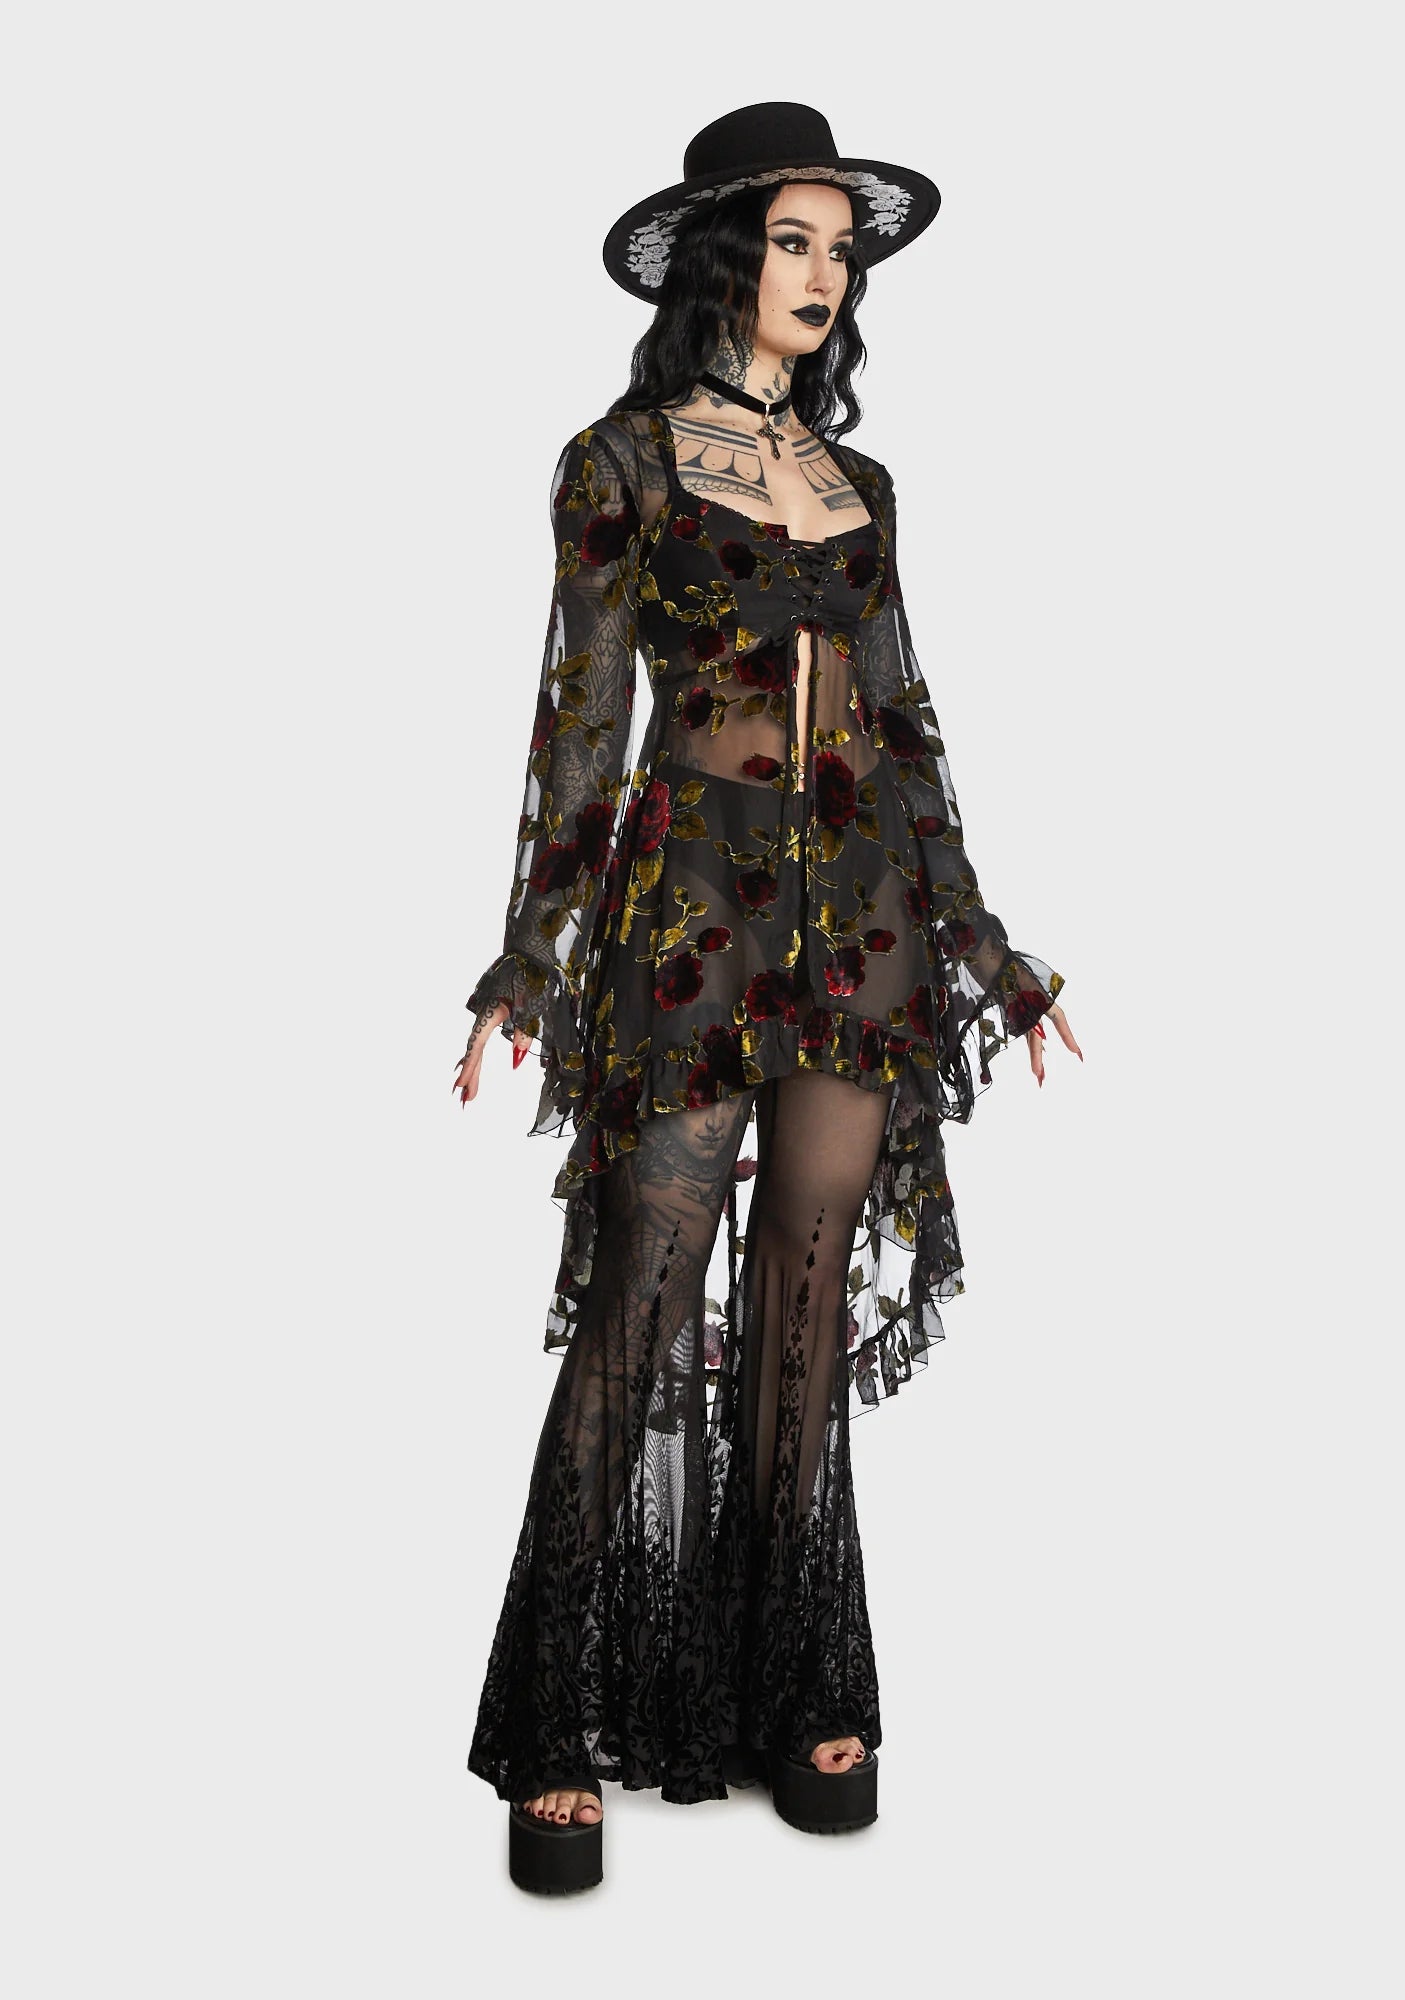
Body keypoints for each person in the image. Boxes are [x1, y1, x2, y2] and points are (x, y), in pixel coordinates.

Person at [452, 101, 1081, 1894]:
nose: (825, 275)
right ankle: (556, 1724)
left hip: (859, 909)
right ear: (728, 261)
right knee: (642, 1293)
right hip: (693, 903)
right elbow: (578, 718)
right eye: (793, 243)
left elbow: (903, 721)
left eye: (839, 250)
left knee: (805, 1287)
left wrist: (983, 942)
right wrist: (528, 950)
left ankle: (793, 1685)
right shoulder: (621, 461)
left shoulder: (862, 485)